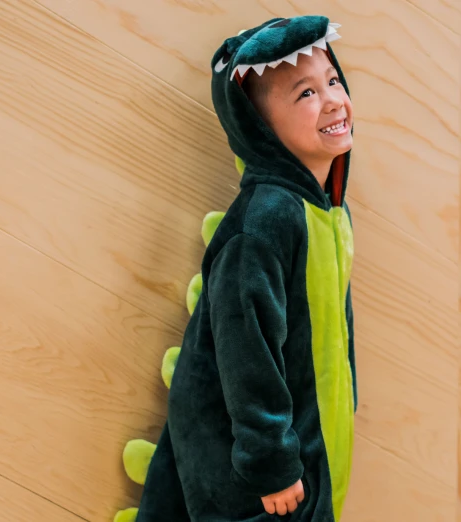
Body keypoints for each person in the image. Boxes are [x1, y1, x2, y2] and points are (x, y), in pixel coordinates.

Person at [118, 15, 357, 522]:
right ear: (263, 129)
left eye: (332, 80)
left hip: (311, 452)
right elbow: (245, 344)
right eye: (306, 94)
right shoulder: (264, 222)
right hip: (260, 475)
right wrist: (270, 460)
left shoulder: (328, 213)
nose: (334, 99)